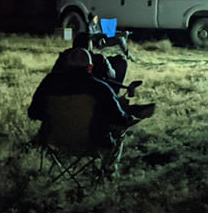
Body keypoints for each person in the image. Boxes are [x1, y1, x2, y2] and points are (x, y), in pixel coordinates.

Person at [28, 48, 143, 176]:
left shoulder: (48, 83)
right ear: (90, 67)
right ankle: (108, 173)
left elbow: (33, 113)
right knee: (119, 131)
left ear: (65, 64)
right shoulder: (101, 88)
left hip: (54, 141)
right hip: (91, 144)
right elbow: (119, 119)